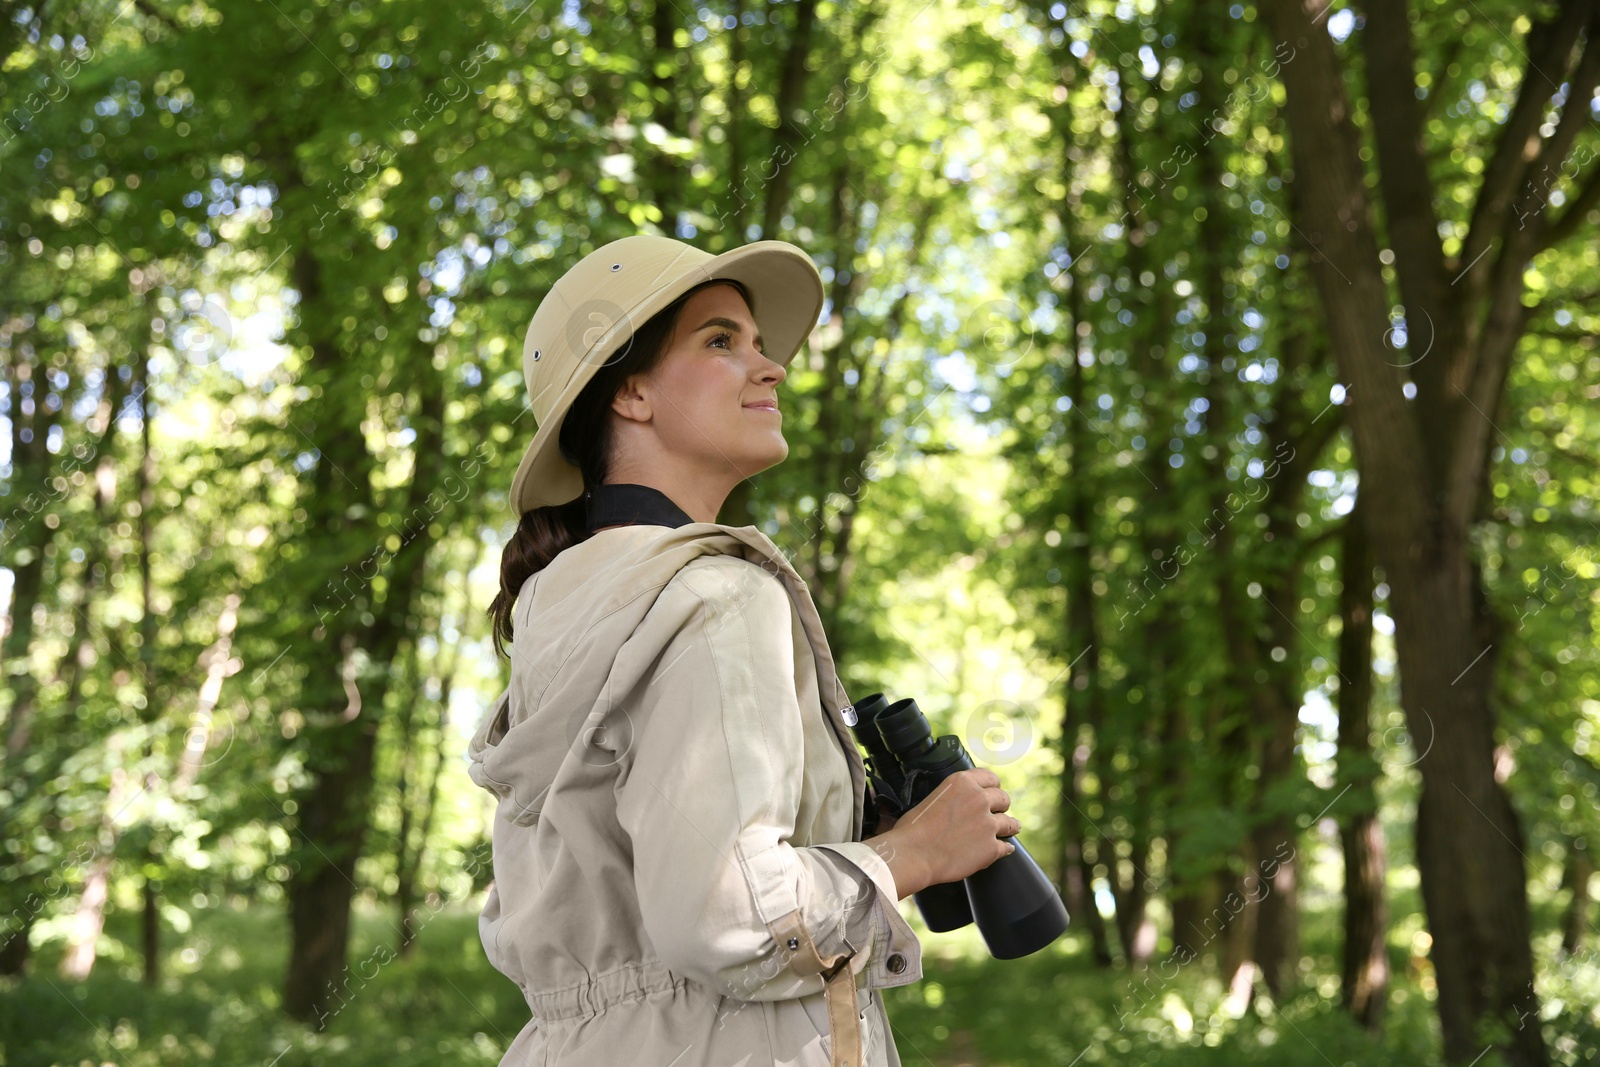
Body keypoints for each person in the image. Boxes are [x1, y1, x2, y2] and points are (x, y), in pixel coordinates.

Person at [468, 234, 1020, 1067]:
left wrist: (848, 831)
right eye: (721, 340)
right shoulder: (720, 594)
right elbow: (731, 918)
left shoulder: (566, 600)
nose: (770, 369)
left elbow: (640, 887)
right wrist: (915, 852)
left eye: (760, 345)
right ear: (632, 394)